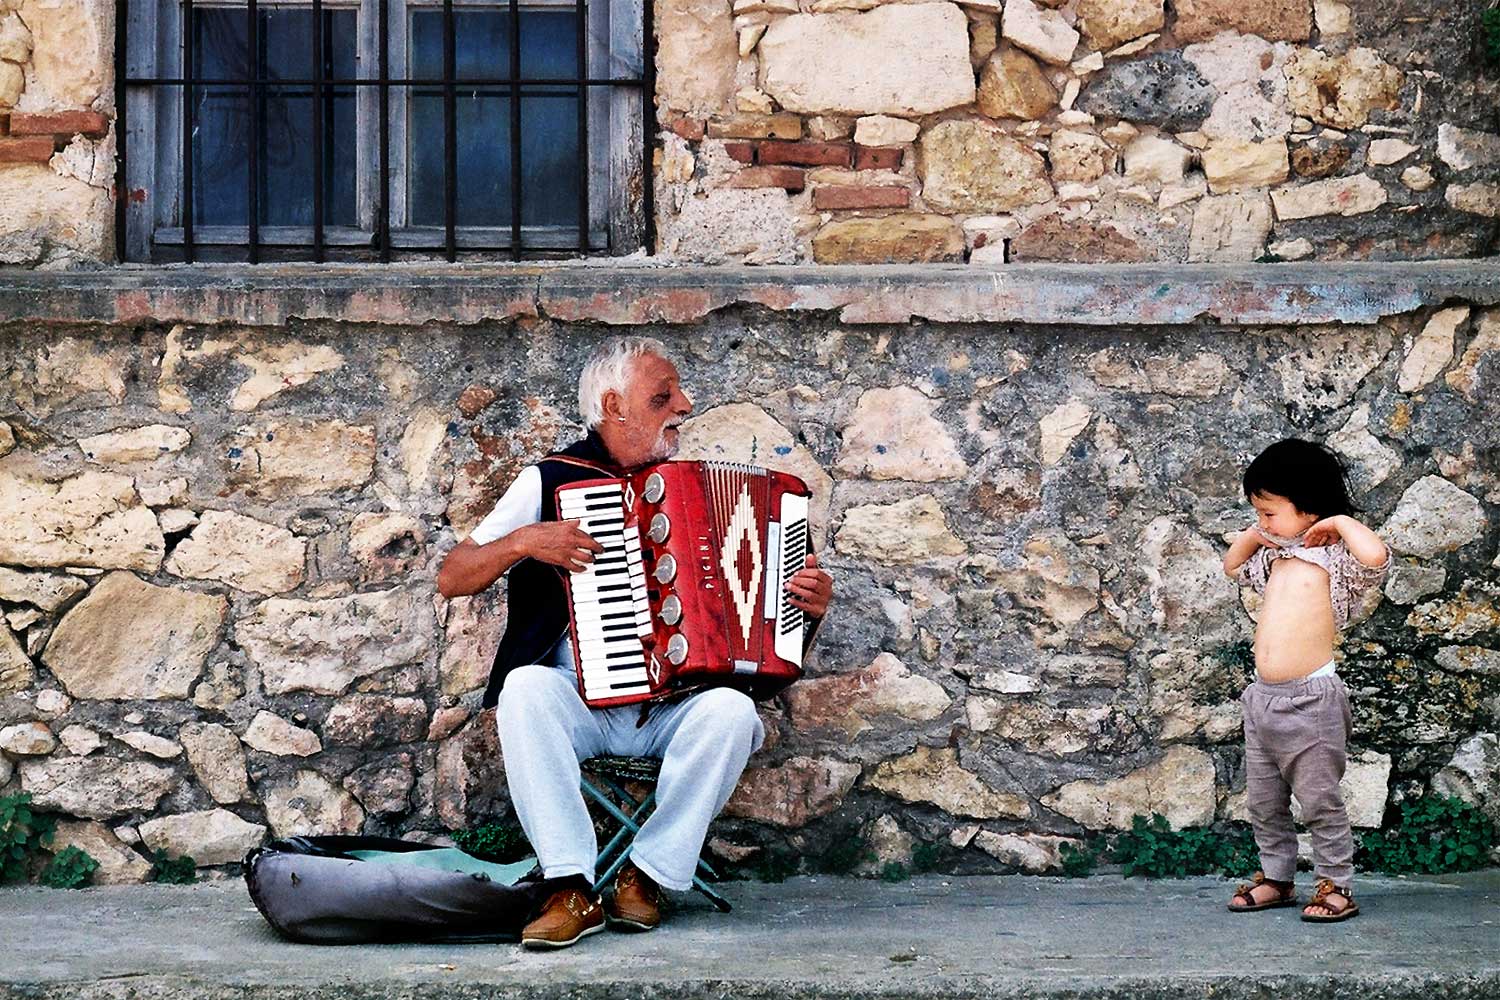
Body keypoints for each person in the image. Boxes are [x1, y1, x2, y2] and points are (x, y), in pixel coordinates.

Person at [436, 336, 834, 948]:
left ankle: (646, 875)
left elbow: (760, 619)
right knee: (525, 688)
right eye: (664, 395)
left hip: (674, 707)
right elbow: (452, 577)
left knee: (732, 710)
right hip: (582, 703)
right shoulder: (551, 480)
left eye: (678, 394)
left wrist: (804, 604)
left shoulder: (695, 487)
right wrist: (523, 543)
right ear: (615, 405)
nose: (684, 404)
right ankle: (568, 884)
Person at [1221, 438, 1389, 923]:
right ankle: (1277, 877)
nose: (1262, 522)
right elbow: (1233, 565)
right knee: (1264, 800)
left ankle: (1336, 883)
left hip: (1310, 699)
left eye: (1270, 513)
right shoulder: (1274, 554)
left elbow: (1375, 556)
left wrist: (1337, 522)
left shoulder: (1336, 558)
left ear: (1309, 506)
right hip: (1263, 699)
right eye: (1258, 513)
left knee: (1319, 800)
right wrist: (1257, 536)